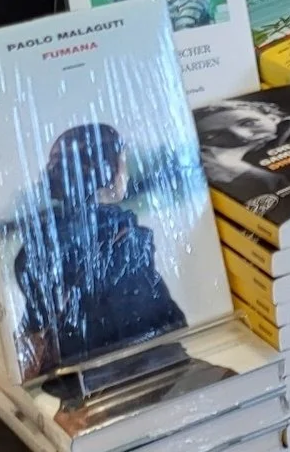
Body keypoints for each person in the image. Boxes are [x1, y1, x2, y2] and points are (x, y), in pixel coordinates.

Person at [10, 122, 185, 376]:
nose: (125, 173)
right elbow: (158, 319)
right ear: (108, 171)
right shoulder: (122, 236)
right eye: (123, 163)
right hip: (136, 373)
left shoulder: (36, 245)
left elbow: (33, 321)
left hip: (69, 376)